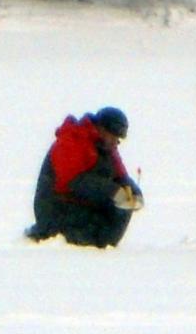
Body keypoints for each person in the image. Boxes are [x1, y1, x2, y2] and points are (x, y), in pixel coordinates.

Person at [24, 106, 143, 248]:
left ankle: (102, 242)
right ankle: (48, 232)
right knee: (93, 234)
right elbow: (73, 181)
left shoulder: (107, 148)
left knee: (121, 210)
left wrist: (134, 193)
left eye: (117, 139)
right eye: (112, 136)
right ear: (100, 129)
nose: (114, 142)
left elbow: (120, 175)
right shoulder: (73, 139)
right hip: (57, 207)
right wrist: (113, 191)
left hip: (82, 205)